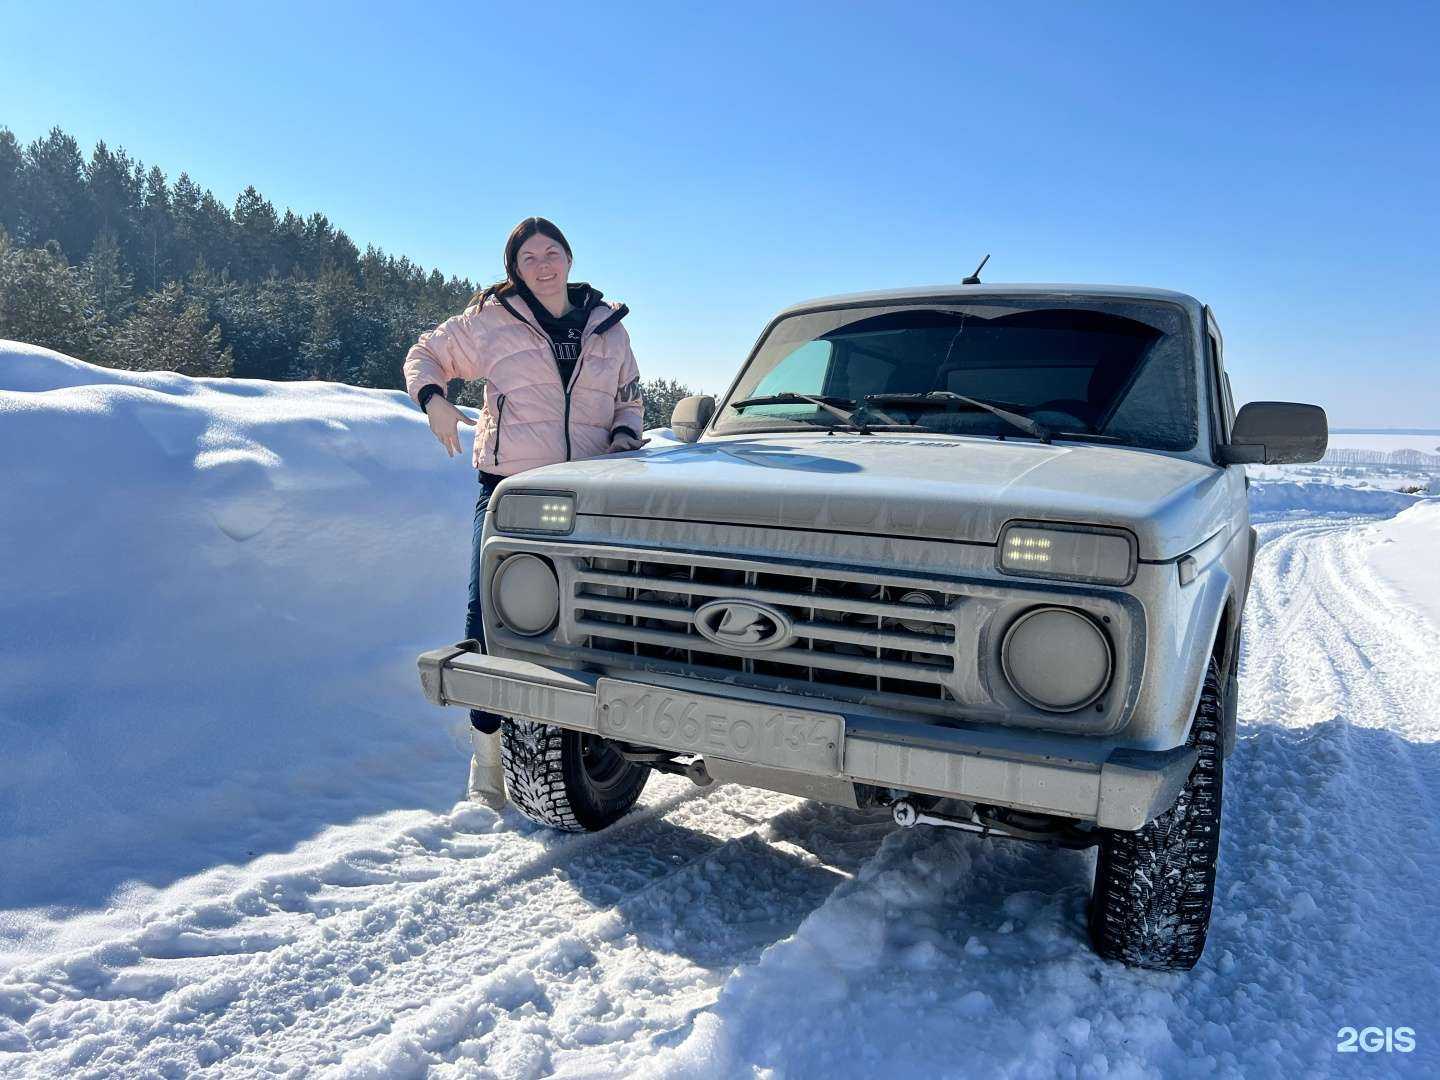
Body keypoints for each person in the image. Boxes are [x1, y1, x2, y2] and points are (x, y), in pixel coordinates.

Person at [403, 217, 646, 808]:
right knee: (490, 616)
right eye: (529, 257)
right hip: (512, 491)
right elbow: (425, 355)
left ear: (569, 257)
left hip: (589, 493)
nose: (543, 265)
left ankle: (587, 742)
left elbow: (629, 398)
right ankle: (487, 756)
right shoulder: (492, 319)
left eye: (551, 252)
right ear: (514, 268)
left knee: (591, 613)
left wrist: (623, 440)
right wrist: (434, 403)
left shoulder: (607, 327)